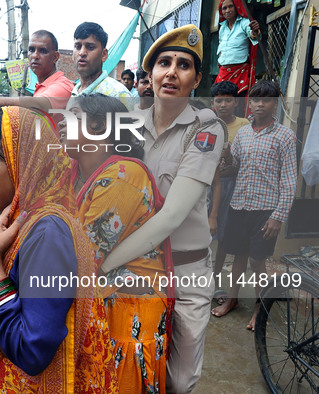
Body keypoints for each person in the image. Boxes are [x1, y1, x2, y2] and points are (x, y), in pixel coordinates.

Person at [0, 106, 118, 392]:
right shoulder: (24, 215)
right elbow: (22, 280)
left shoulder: (47, 232)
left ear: (24, 165)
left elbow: (31, 353)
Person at [100, 25, 226, 393]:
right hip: (136, 272)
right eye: (163, 63)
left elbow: (171, 216)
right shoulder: (129, 126)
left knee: (179, 380)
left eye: (183, 65)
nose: (172, 71)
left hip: (185, 272)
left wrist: (102, 265)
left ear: (196, 79)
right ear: (150, 75)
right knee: (133, 370)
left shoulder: (206, 129)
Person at [62, 94, 173, 393]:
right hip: (102, 304)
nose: (62, 121)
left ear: (98, 128)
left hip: (127, 313)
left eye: (73, 115)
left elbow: (80, 256)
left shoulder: (123, 176)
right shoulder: (74, 174)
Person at [211, 80, 297, 330]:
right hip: (239, 206)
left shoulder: (285, 136)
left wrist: (278, 216)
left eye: (266, 100)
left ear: (275, 104)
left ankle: (260, 308)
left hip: (265, 211)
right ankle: (233, 300)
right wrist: (227, 158)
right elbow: (235, 167)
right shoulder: (245, 133)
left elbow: (290, 181)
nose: (260, 105)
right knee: (238, 256)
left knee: (258, 261)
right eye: (256, 99)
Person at [208, 81, 250, 306]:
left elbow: (245, 162)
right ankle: (200, 280)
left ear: (236, 102)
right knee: (203, 233)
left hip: (232, 186)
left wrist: (230, 161)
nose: (223, 105)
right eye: (218, 100)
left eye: (228, 100)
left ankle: (214, 281)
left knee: (223, 235)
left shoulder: (244, 126)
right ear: (212, 103)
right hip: (207, 185)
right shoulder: (207, 124)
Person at [0, 30, 73, 111]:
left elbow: (39, 105)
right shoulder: (41, 87)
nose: (35, 56)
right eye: (31, 50)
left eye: (43, 51)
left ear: (55, 57)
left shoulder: (63, 86)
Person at [215, 0, 260, 115]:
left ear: (237, 8)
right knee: (219, 103)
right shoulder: (222, 28)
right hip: (223, 72)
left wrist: (255, 31)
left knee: (238, 105)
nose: (227, 10)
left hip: (239, 71)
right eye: (224, 8)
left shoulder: (245, 23)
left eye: (230, 7)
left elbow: (253, 36)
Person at [71, 22, 130, 98]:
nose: (82, 53)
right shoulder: (74, 92)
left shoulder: (118, 94)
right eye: (78, 47)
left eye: (90, 47)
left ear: (104, 54)